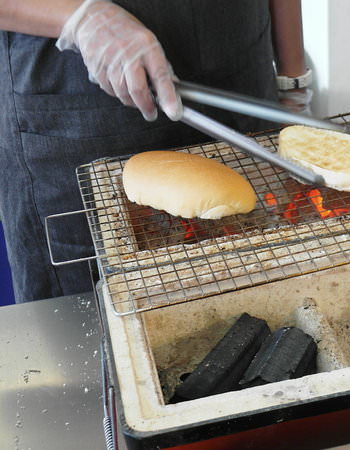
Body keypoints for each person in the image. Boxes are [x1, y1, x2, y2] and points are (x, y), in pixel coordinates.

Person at [0, 0, 312, 302]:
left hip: (240, 74)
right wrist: (78, 17)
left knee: (267, 289)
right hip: (79, 94)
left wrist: (293, 79)